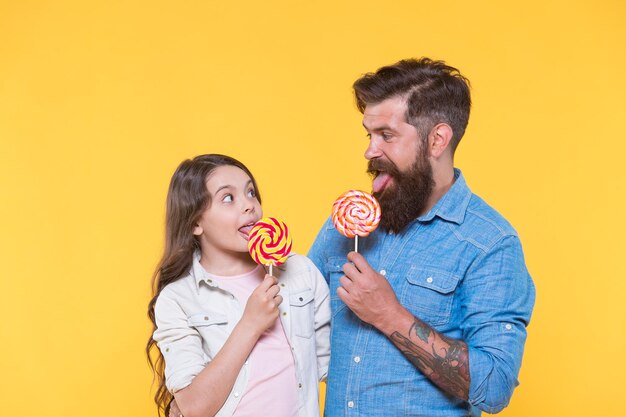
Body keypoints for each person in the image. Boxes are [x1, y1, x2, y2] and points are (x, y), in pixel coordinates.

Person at [308, 58, 535, 416]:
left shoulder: (490, 243)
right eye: (369, 134)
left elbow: (493, 388)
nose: (370, 150)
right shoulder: (346, 224)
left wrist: (389, 315)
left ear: (437, 140)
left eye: (387, 135)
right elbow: (291, 317)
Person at [146, 154, 331, 417]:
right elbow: (194, 408)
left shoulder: (300, 273)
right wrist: (250, 324)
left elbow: (334, 368)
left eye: (251, 192)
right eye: (228, 198)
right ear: (196, 222)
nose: (249, 205)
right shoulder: (178, 298)